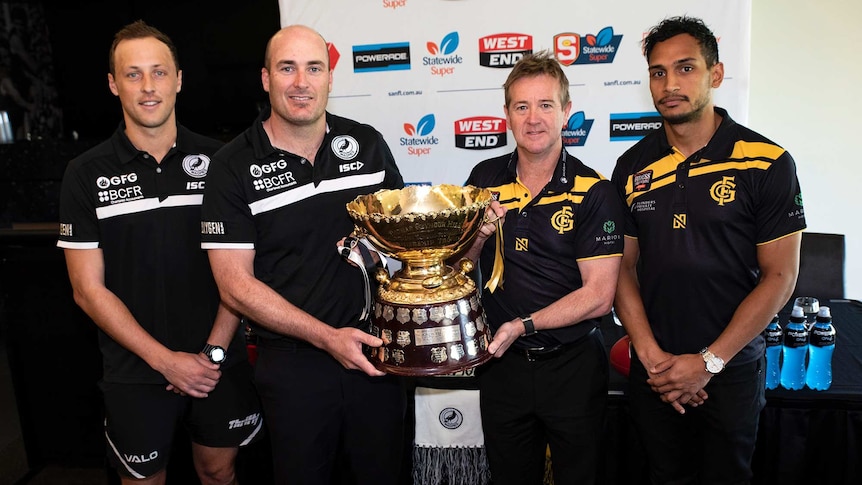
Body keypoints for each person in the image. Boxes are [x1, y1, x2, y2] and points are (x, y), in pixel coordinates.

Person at [57, 20, 262, 485]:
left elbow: (241, 274)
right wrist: (165, 360)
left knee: (219, 471)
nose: (148, 87)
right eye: (133, 75)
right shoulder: (84, 174)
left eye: (159, 72)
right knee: (144, 481)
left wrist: (209, 356)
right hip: (134, 370)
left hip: (218, 360)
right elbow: (87, 291)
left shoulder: (223, 162)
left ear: (179, 79)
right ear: (113, 84)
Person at [200, 24, 406, 484]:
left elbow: (402, 243)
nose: (301, 82)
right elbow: (235, 284)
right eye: (287, 68)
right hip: (293, 367)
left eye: (314, 68)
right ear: (265, 78)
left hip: (377, 354)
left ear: (330, 77)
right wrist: (327, 337)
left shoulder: (367, 145)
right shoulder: (233, 167)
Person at [611, 15, 806, 484]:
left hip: (732, 368)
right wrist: (654, 358)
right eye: (658, 72)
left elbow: (781, 277)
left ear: (715, 75)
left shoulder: (767, 161)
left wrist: (708, 364)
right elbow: (622, 270)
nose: (669, 83)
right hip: (654, 370)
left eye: (685, 68)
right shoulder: (632, 165)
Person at [461, 50, 625, 484]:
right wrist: (478, 234)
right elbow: (457, 270)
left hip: (571, 365)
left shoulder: (596, 190)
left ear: (567, 112)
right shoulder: (483, 178)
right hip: (502, 366)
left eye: (546, 105)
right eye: (522, 106)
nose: (534, 118)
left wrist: (522, 324)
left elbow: (598, 296)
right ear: (507, 115)